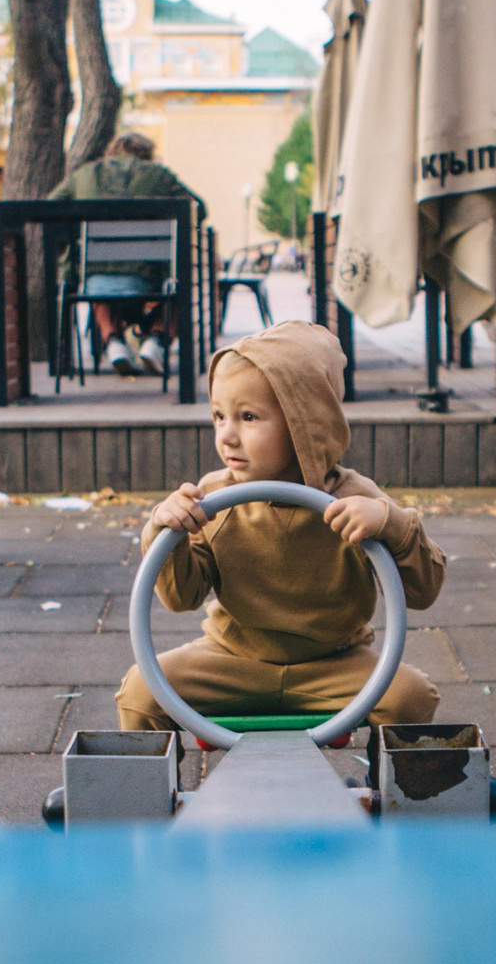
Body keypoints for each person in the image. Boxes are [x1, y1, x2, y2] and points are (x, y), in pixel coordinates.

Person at [117, 321, 444, 733]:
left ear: (304, 423)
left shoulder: (355, 499)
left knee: (410, 697)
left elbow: (423, 590)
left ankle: (393, 794)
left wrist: (392, 524)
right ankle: (150, 793)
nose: (227, 436)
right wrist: (168, 534)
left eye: (248, 417)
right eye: (220, 416)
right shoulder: (212, 498)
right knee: (140, 692)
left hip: (334, 663)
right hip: (233, 659)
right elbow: (181, 597)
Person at [47, 133, 203, 377]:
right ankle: (156, 341)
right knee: (177, 288)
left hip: (95, 279)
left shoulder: (85, 174)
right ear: (147, 154)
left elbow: (50, 207)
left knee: (98, 286)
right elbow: (199, 209)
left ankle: (113, 344)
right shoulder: (160, 175)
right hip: (149, 278)